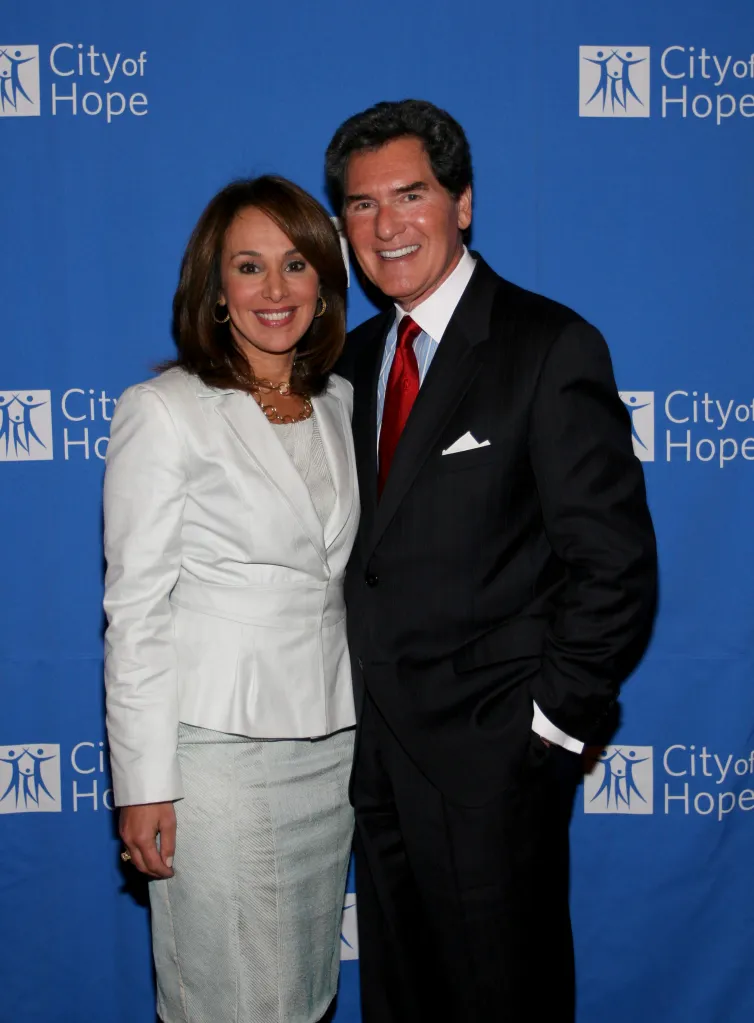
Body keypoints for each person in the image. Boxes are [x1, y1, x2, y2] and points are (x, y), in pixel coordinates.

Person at [325, 100, 657, 1022]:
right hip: (374, 763)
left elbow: (615, 563)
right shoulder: (349, 362)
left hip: (494, 763)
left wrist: (548, 728)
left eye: (410, 195)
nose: (386, 226)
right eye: (361, 205)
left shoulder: (547, 345)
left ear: (462, 203)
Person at [103, 175, 358, 1023]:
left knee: (301, 994)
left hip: (331, 747)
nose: (274, 288)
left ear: (323, 280)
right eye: (249, 267)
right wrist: (143, 782)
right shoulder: (165, 411)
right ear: (215, 289)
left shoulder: (341, 402)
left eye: (295, 263)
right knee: (233, 998)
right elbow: (136, 611)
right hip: (216, 753)